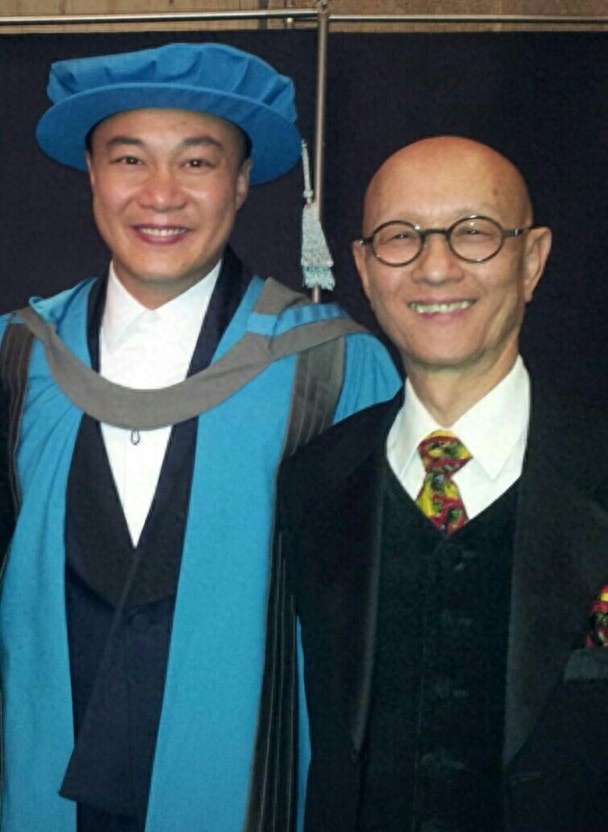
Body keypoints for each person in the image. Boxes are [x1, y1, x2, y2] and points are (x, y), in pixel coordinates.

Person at [0, 42, 400, 832]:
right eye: (129, 159)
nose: (160, 194)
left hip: (247, 790)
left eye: (197, 161)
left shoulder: (330, 368)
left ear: (242, 181)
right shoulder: (18, 358)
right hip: (41, 786)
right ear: (91, 172)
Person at [278, 135, 608, 832]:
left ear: (531, 259)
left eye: (474, 232)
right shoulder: (313, 483)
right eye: (401, 237)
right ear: (365, 269)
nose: (435, 267)